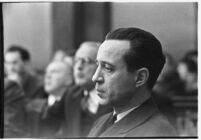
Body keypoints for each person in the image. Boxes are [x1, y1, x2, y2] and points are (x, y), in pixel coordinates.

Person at [88, 27, 178, 137]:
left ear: (140, 78)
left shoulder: (157, 133)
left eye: (108, 68)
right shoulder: (101, 121)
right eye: (98, 65)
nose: (95, 77)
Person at [41, 41, 112, 138]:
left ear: (101, 66)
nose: (79, 67)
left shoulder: (114, 95)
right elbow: (48, 121)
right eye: (76, 61)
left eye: (87, 61)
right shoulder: (72, 93)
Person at [26, 60, 74, 137]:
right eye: (46, 73)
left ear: (69, 79)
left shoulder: (77, 107)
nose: (48, 76)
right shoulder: (32, 106)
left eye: (54, 72)